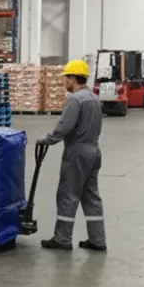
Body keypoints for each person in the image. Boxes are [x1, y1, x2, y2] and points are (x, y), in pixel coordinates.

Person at [39, 59, 106, 252]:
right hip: (94, 150)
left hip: (77, 153)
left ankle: (62, 238)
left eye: (66, 77)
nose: (64, 82)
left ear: (73, 78)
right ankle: (97, 239)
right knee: (91, 196)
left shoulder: (75, 100)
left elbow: (64, 127)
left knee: (68, 194)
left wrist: (47, 140)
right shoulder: (94, 98)